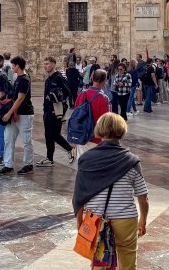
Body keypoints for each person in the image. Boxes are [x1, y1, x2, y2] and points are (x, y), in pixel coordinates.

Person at [72, 113, 149, 270]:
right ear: (121, 131)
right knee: (128, 262)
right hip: (125, 220)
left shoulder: (86, 159)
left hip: (96, 219)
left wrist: (80, 222)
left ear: (99, 130)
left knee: (99, 263)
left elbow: (79, 196)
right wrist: (143, 220)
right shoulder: (132, 161)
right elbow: (143, 198)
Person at [0, 55, 35, 175]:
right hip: (14, 114)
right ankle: (8, 165)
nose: (12, 67)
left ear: (17, 66)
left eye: (13, 65)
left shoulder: (24, 79)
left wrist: (8, 113)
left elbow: (20, 98)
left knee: (26, 140)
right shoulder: (18, 78)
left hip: (24, 114)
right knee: (8, 138)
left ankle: (28, 164)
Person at [37, 55, 73, 166]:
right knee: (48, 135)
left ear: (53, 64)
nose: (45, 66)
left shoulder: (59, 77)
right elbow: (45, 96)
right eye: (44, 64)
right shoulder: (48, 79)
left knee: (55, 135)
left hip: (56, 112)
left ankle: (71, 149)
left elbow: (67, 92)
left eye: (47, 64)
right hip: (47, 111)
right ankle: (49, 159)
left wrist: (57, 95)